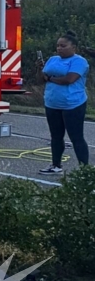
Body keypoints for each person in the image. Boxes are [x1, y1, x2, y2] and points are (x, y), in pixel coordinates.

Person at [39, 31, 89, 174]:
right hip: (52, 102)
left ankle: (84, 170)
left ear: (73, 47)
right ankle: (56, 165)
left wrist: (50, 78)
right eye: (58, 46)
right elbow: (40, 79)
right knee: (56, 136)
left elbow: (69, 79)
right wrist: (39, 70)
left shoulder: (79, 61)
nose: (59, 48)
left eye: (63, 46)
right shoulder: (53, 59)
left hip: (73, 103)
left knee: (76, 136)